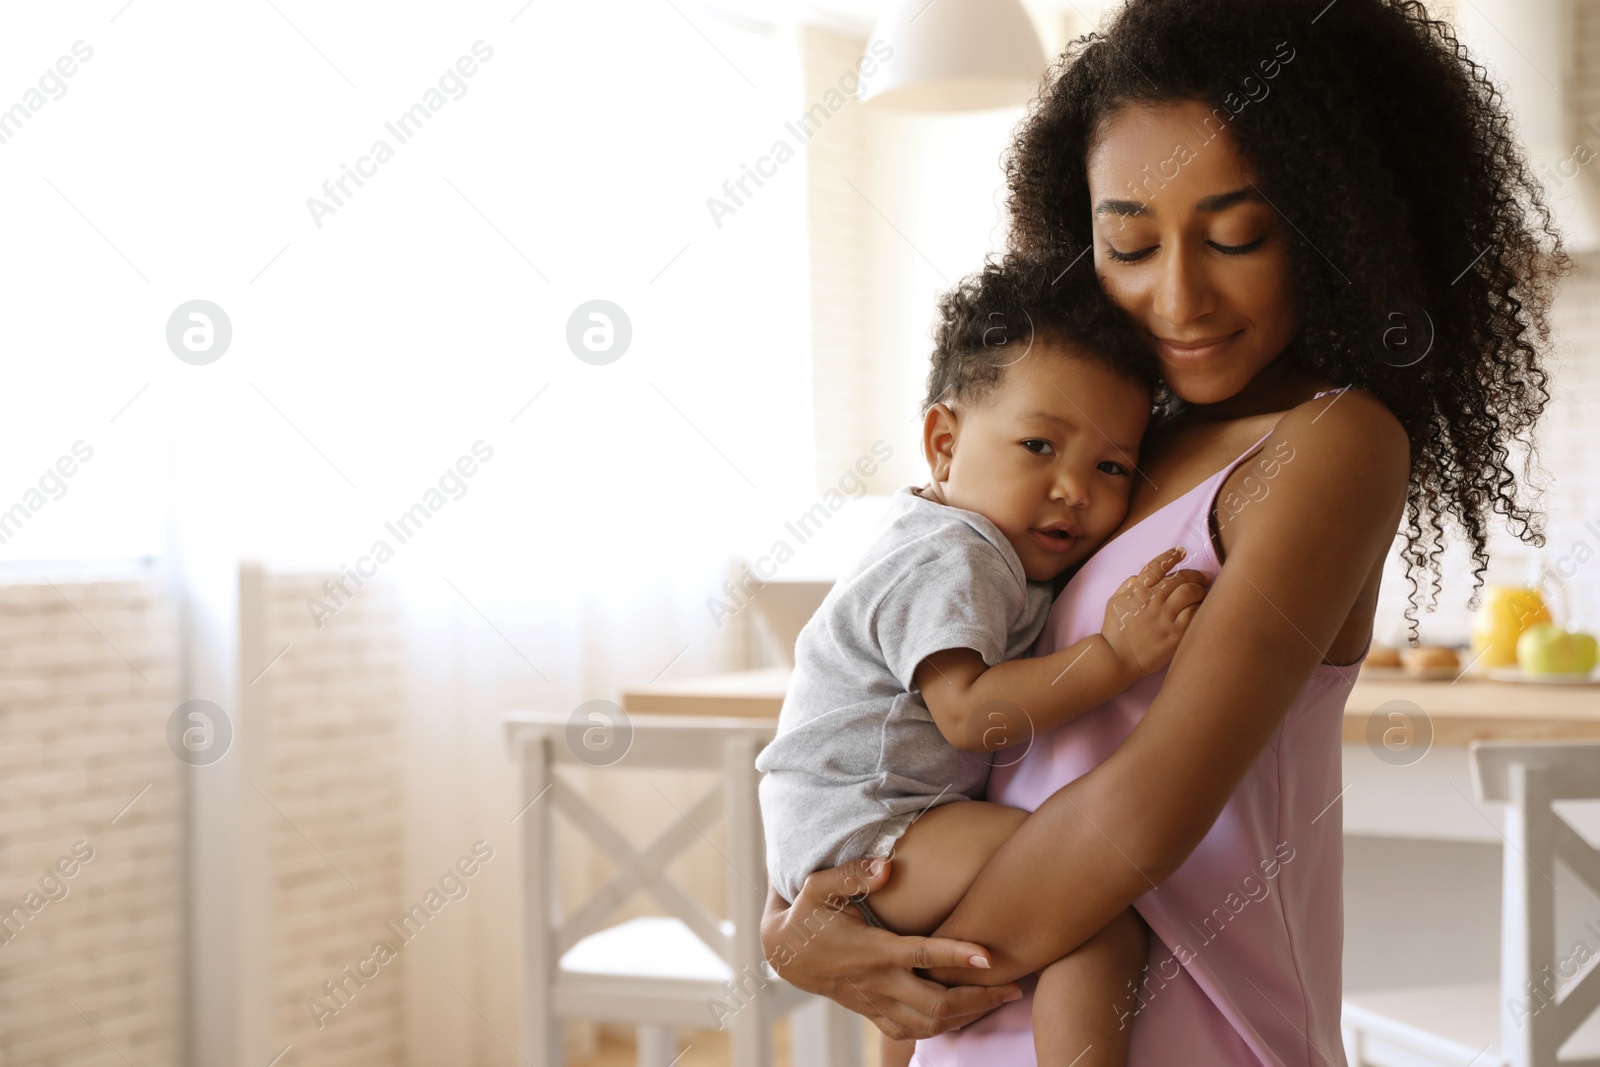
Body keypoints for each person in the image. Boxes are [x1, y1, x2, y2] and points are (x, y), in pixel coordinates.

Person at [759, 0, 1567, 1062]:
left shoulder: (1329, 443)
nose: (1177, 296)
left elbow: (1144, 814)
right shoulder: (1106, 448)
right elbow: (927, 749)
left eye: (1236, 235)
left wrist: (859, 945)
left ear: (1333, 225)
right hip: (988, 1013)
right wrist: (799, 932)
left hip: (1177, 1023)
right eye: (1128, 244)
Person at [754, 258, 1214, 1067]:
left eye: (1111, 466)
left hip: (847, 816)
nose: (1073, 487)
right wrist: (1112, 656)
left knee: (915, 987)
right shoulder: (956, 554)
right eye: (1039, 444)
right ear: (944, 442)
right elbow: (969, 712)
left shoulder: (980, 544)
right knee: (1093, 907)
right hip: (868, 814)